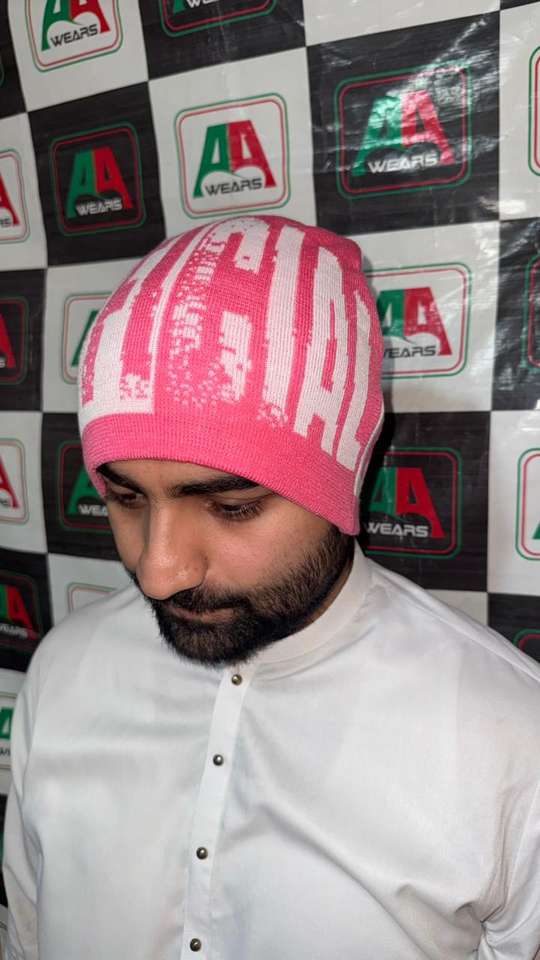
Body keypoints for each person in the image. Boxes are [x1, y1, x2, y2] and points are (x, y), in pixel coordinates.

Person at [3, 215, 540, 960]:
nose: (158, 570)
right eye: (125, 498)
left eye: (231, 507)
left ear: (343, 478)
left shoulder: (509, 737)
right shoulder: (65, 673)